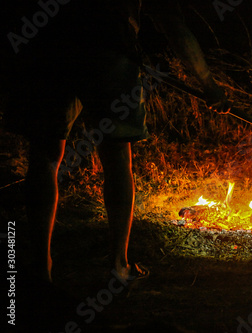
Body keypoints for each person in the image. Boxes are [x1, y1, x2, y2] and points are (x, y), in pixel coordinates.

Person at [3, 0, 228, 285]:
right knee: (116, 155)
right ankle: (118, 265)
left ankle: (40, 267)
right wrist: (207, 83)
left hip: (51, 47)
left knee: (46, 154)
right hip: (108, 51)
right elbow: (172, 24)